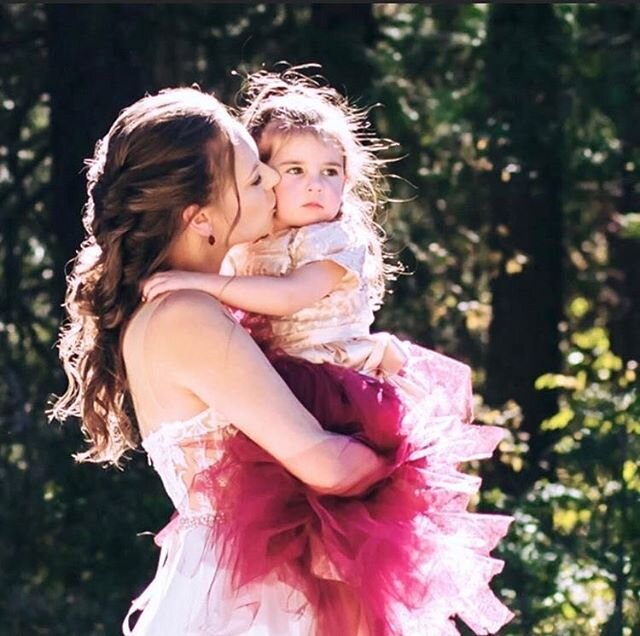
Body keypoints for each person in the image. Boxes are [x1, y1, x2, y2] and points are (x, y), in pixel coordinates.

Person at [140, 71, 514, 636]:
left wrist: (205, 286)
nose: (309, 186)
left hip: (332, 392)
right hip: (261, 500)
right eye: (279, 175)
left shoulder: (326, 244)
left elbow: (289, 299)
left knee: (342, 555)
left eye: (330, 173)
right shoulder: (213, 287)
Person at [50, 86, 397, 636]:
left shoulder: (188, 306)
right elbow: (324, 465)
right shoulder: (188, 314)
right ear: (202, 217)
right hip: (253, 597)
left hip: (238, 576)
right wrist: (403, 463)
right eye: (256, 176)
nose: (274, 185)